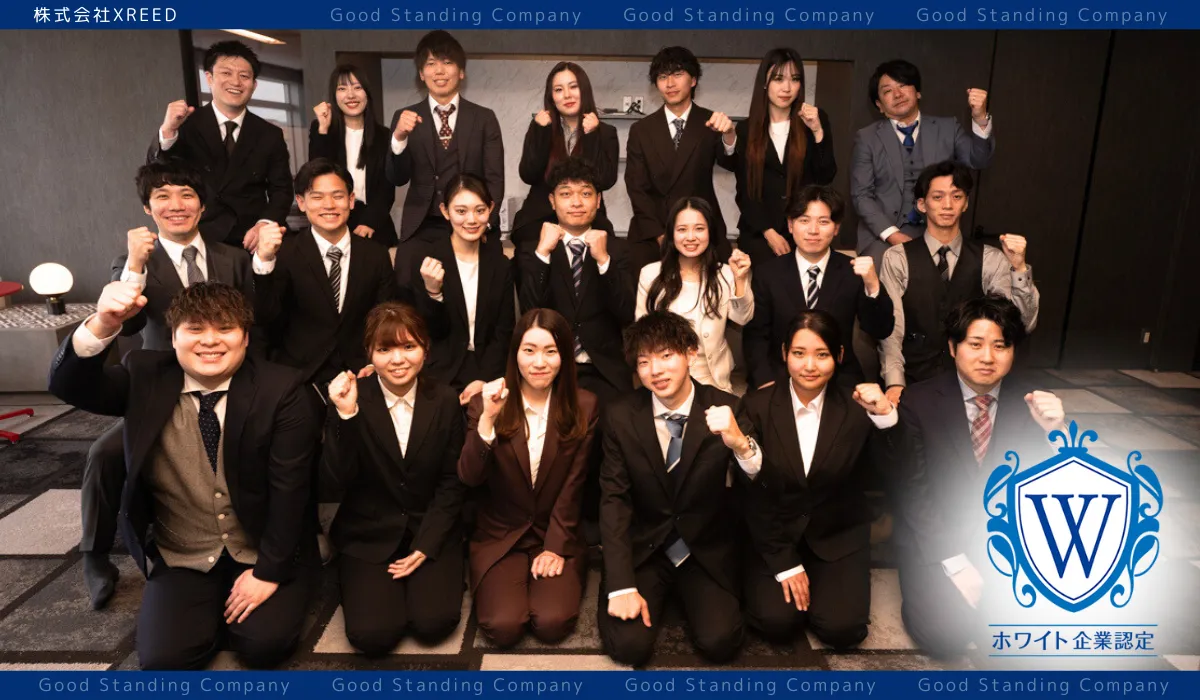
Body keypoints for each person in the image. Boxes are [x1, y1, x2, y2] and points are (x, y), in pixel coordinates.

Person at [48, 282, 321, 669]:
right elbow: (68, 385)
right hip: (183, 550)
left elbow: (290, 491)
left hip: (261, 545)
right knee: (164, 660)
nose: (210, 340)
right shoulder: (144, 374)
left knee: (263, 646)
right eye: (194, 329)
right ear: (173, 337)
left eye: (225, 328)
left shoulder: (282, 388)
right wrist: (104, 323)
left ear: (245, 337)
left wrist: (268, 573)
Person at [80, 162, 262, 609]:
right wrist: (135, 265)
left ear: (202, 204)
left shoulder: (233, 258)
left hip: (228, 380)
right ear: (148, 207)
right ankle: (95, 556)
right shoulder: (132, 263)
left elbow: (252, 324)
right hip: (161, 389)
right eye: (162, 196)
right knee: (104, 454)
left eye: (186, 195)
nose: (176, 205)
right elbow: (128, 325)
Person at [891, 296, 1064, 658]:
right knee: (945, 637)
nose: (988, 357)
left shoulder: (1032, 403)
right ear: (953, 348)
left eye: (1000, 346)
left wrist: (1056, 434)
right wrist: (954, 562)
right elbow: (913, 492)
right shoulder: (919, 401)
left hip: (1001, 541)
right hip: (937, 538)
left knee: (1017, 637)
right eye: (976, 344)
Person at [731, 311, 897, 647]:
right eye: (799, 353)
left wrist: (885, 418)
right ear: (784, 354)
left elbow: (892, 471)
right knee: (776, 622)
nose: (809, 365)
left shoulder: (858, 407)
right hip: (774, 535)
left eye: (822, 354)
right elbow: (751, 495)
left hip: (838, 534)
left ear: (839, 355)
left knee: (842, 629)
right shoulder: (756, 405)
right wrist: (784, 563)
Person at [598, 311, 743, 666]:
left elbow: (758, 485)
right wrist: (621, 585)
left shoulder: (727, 408)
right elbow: (614, 500)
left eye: (666, 356)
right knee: (629, 647)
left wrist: (741, 444)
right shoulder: (620, 415)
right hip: (646, 549)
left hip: (702, 549)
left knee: (720, 642)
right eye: (644, 361)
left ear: (691, 353)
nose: (656, 370)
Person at [323, 302, 467, 654]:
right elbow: (336, 479)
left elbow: (452, 482)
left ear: (425, 350)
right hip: (368, 533)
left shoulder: (445, 399)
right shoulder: (350, 398)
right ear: (369, 354)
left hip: (429, 526)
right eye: (385, 349)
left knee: (433, 624)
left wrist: (427, 543)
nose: (398, 359)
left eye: (408, 346)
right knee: (374, 635)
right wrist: (346, 415)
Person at [458, 309, 599, 647]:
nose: (539, 362)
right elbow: (469, 477)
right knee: (503, 627)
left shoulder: (585, 405)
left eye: (551, 351)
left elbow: (574, 485)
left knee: (552, 623)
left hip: (555, 531)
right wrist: (488, 420)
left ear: (565, 356)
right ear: (515, 354)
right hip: (500, 535)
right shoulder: (484, 402)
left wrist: (555, 546)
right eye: (529, 350)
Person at [879, 161, 1039, 404]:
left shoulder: (991, 258)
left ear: (965, 203)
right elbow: (891, 328)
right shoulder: (897, 257)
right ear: (922, 204)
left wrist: (1019, 268)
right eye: (938, 197)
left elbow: (1021, 325)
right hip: (914, 377)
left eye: (956, 196)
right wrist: (894, 382)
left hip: (974, 382)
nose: (947, 205)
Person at [252, 158, 399, 385]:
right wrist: (264, 260)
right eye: (317, 197)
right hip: (300, 378)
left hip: (362, 374)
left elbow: (385, 318)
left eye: (338, 196)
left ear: (351, 200)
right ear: (301, 202)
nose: (329, 205)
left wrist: (373, 364)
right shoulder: (284, 254)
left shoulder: (376, 255)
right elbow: (266, 318)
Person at [744, 185, 893, 390]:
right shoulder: (768, 273)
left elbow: (881, 329)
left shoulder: (853, 271)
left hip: (839, 382)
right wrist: (765, 382)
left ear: (836, 228)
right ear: (790, 225)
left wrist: (873, 285)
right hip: (781, 381)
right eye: (804, 221)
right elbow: (755, 337)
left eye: (823, 222)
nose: (813, 230)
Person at [148, 40, 292, 250]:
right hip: (199, 237)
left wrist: (265, 223)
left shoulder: (270, 134)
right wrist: (168, 130)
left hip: (251, 240)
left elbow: (282, 190)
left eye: (244, 76)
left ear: (254, 85)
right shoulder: (185, 125)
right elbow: (156, 174)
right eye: (226, 73)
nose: (236, 82)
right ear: (209, 78)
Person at [386, 30, 504, 286]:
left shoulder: (484, 118)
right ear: (421, 74)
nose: (439, 71)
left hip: (470, 222)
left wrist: (485, 223)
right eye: (431, 64)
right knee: (406, 280)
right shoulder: (404, 117)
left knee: (489, 279)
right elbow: (397, 178)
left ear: (461, 72)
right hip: (423, 225)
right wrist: (399, 137)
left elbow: (495, 179)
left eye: (447, 62)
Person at [851, 59, 994, 268]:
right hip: (884, 234)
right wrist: (893, 235)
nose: (897, 94)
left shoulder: (948, 128)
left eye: (903, 85)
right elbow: (861, 195)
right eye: (888, 91)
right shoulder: (867, 138)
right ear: (879, 105)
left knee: (953, 273)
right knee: (881, 273)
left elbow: (978, 160)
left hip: (938, 230)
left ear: (917, 92)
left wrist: (980, 117)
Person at [517, 157, 635, 403]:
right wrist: (543, 253)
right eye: (566, 194)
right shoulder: (532, 250)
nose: (576, 202)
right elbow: (530, 310)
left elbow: (626, 312)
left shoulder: (618, 250)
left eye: (585, 193)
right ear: (552, 201)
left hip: (605, 371)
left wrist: (604, 261)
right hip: (551, 370)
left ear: (598, 200)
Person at [625, 46, 738, 272]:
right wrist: (662, 236)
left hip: (701, 227)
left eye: (677, 74)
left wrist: (729, 135)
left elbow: (732, 164)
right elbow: (636, 188)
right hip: (653, 230)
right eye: (662, 77)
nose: (670, 83)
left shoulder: (711, 121)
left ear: (693, 80)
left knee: (724, 279)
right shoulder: (641, 129)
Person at [409, 175, 513, 405]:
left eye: (480, 210)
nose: (472, 220)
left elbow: (503, 332)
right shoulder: (426, 260)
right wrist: (433, 293)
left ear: (491, 209)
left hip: (488, 370)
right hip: (439, 372)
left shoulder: (500, 264)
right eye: (461, 211)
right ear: (445, 211)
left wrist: (484, 379)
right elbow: (425, 333)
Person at [636, 197, 753, 393]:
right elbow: (642, 335)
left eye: (699, 229)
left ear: (710, 232)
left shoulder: (725, 273)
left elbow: (743, 318)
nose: (690, 237)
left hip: (713, 381)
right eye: (682, 229)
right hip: (666, 380)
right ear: (671, 234)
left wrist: (740, 279)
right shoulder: (651, 274)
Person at [734, 48, 836, 268]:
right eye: (778, 79)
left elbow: (826, 176)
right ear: (765, 83)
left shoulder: (814, 120)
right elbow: (744, 191)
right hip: (759, 233)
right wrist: (769, 232)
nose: (787, 88)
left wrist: (818, 131)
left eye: (795, 79)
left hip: (805, 232)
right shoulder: (745, 129)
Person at [511, 62, 619, 249]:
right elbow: (528, 175)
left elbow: (605, 180)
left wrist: (592, 136)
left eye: (573, 87)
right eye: (559, 90)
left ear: (584, 90)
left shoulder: (605, 132)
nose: (567, 95)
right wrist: (541, 132)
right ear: (551, 97)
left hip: (587, 220)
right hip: (540, 218)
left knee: (610, 250)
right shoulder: (540, 127)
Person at [309, 65, 398, 249]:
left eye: (357, 87)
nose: (350, 95)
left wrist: (369, 222)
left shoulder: (384, 136)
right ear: (334, 96)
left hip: (374, 224)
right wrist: (323, 130)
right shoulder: (321, 130)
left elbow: (387, 188)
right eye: (342, 88)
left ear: (367, 93)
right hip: (333, 220)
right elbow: (316, 175)